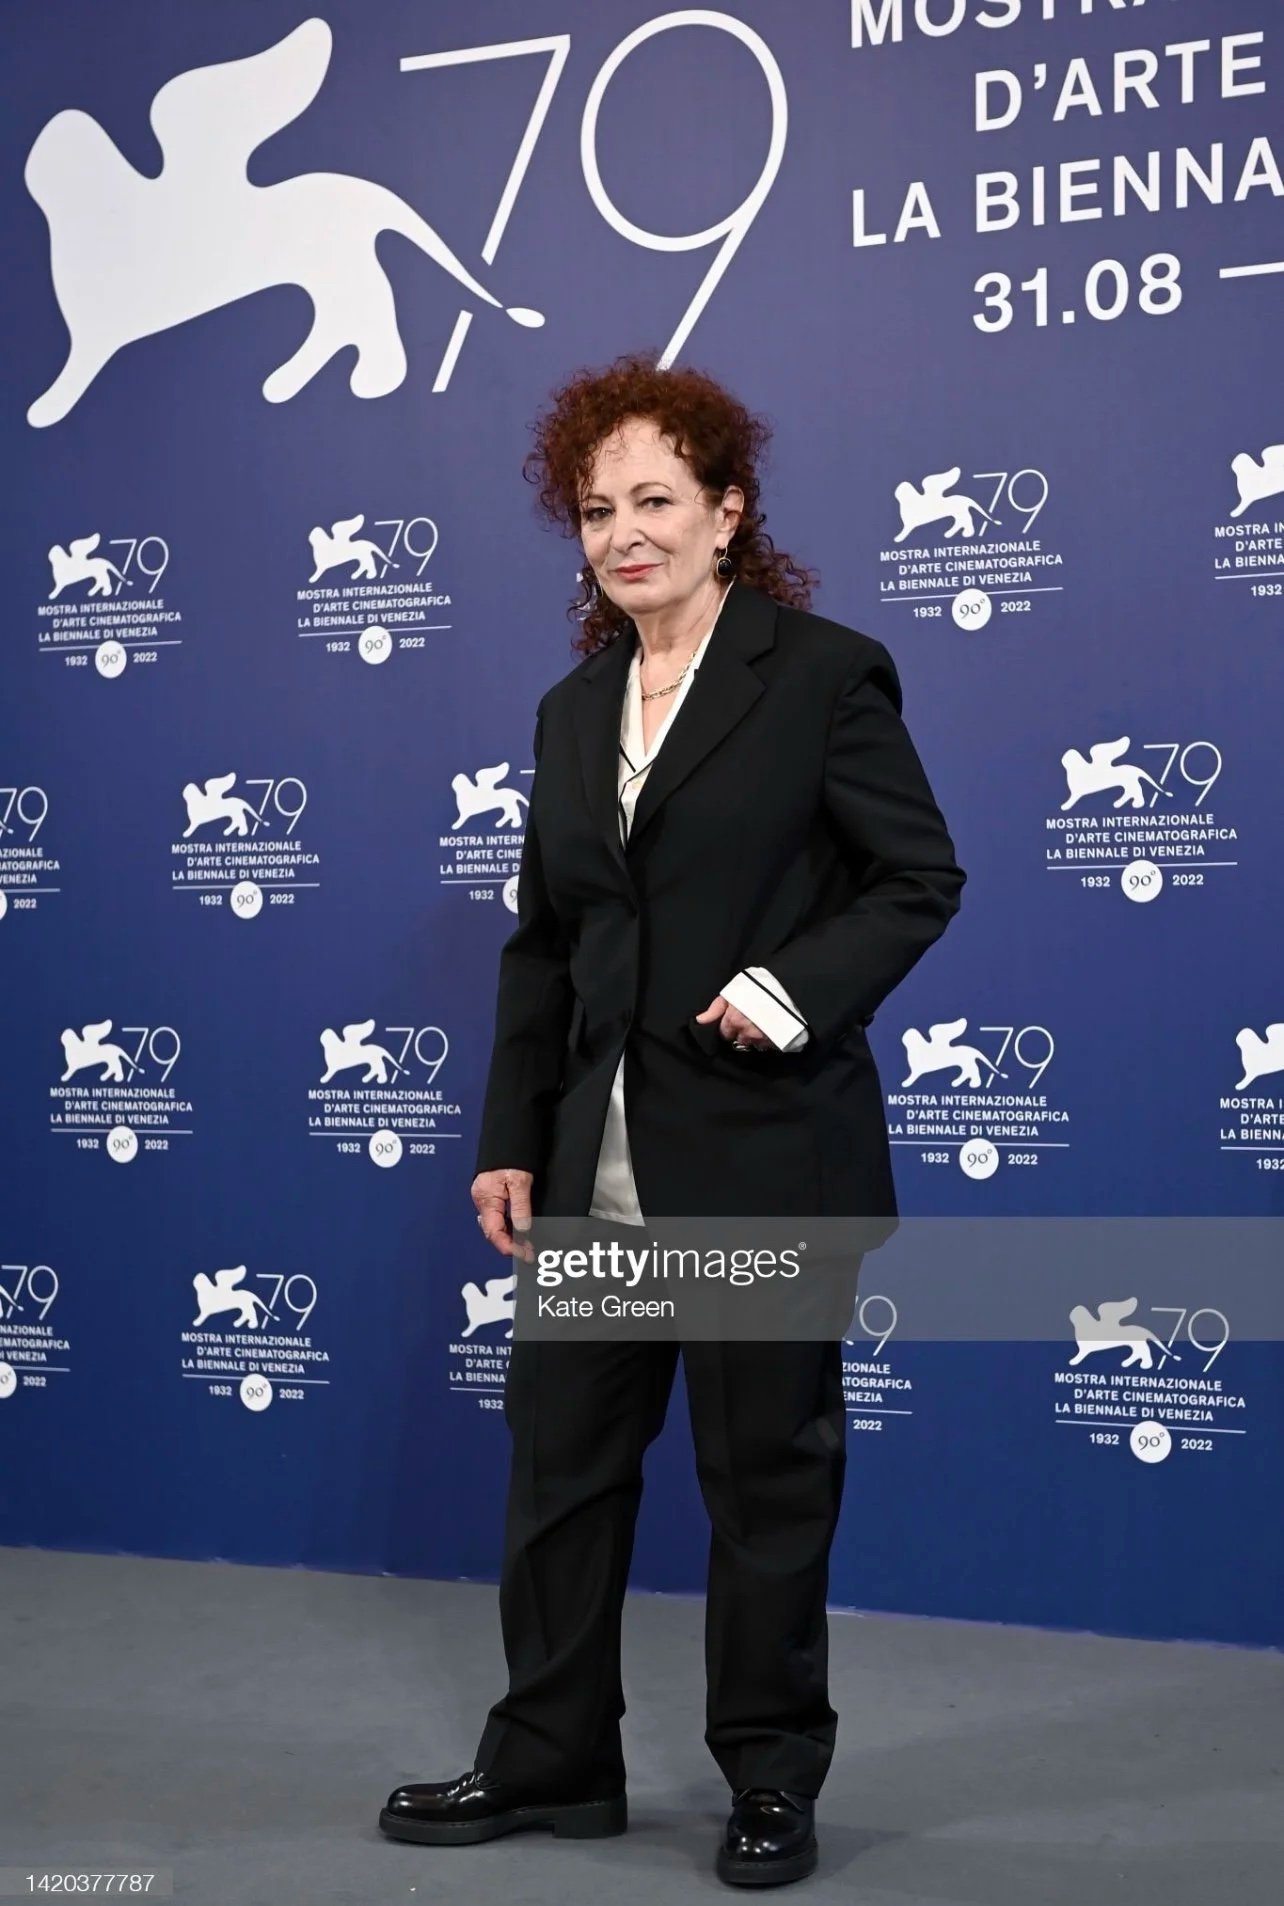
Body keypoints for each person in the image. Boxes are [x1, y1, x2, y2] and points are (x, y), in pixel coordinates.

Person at [379, 352, 965, 1886]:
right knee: (560, 1471)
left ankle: (771, 1778)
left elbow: (918, 876)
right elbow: (546, 945)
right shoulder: (573, 712)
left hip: (767, 1155)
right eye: (596, 508)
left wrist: (795, 985)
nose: (624, 531)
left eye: (656, 500)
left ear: (727, 510)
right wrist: (514, 1136)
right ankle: (551, 1758)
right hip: (601, 1168)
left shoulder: (825, 674)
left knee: (765, 1484)